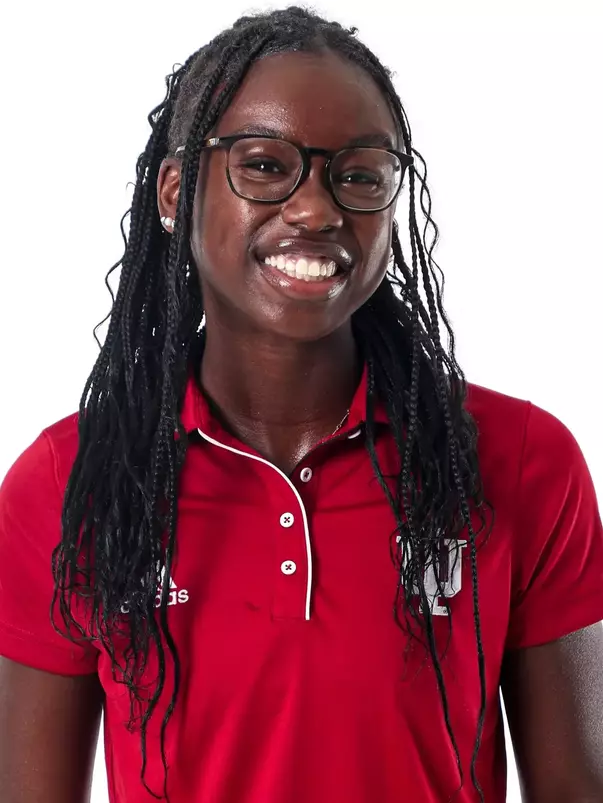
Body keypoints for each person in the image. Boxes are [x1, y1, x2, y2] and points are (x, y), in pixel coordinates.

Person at [0, 6, 602, 803]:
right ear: (177, 192)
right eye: (263, 165)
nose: (316, 210)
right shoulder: (65, 479)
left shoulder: (518, 458)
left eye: (357, 175)